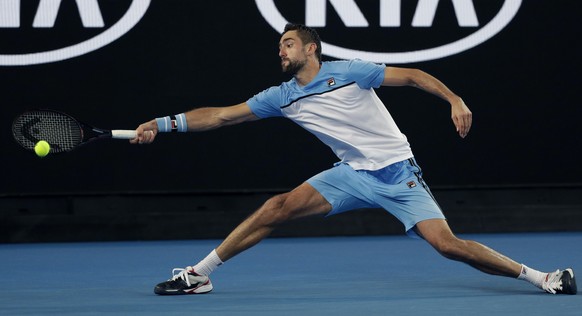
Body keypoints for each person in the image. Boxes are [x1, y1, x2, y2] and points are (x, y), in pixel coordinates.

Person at [130, 23, 577, 296]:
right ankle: (199, 275)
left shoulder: (350, 72)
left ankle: (544, 278)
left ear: (310, 49)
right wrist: (162, 123)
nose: (280, 51)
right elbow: (221, 116)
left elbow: (415, 77)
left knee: (448, 246)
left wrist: (454, 99)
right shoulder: (280, 97)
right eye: (279, 46)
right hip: (350, 175)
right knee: (276, 207)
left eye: (287, 44)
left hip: (397, 172)